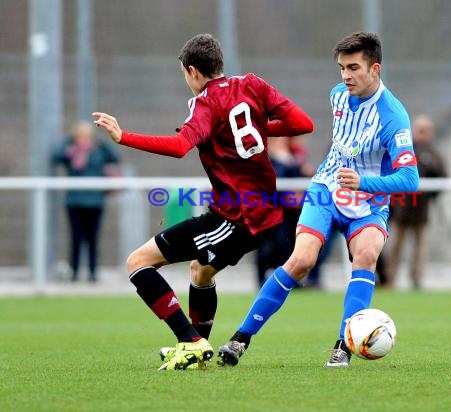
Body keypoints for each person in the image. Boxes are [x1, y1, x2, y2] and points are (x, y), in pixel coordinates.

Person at [92, 33, 313, 371]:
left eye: (184, 74)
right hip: (262, 210)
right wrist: (256, 126)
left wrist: (124, 137)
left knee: (138, 262)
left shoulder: (205, 103)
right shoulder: (252, 84)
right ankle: (198, 347)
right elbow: (303, 123)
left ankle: (189, 340)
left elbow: (181, 145)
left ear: (192, 71)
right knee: (201, 270)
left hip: (234, 217)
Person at [218, 32, 419, 368]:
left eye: (354, 67)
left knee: (366, 253)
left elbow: (410, 180)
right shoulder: (338, 96)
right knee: (301, 261)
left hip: (368, 202)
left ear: (375, 69)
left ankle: (344, 344)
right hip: (326, 191)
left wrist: (363, 182)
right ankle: (240, 339)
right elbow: (344, 144)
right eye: (341, 67)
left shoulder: (393, 117)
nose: (345, 75)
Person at [255, 136, 330, 289]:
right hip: (270, 209)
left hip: (290, 211)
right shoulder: (269, 157)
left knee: (290, 244)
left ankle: (291, 280)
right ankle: (264, 279)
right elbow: (273, 180)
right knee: (269, 246)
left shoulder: (294, 155)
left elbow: (297, 177)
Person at [52, 121, 121, 282]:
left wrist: (101, 139)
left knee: (92, 239)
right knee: (76, 239)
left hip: (95, 202)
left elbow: (115, 157)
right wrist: (69, 139)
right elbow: (55, 155)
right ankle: (74, 272)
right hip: (74, 202)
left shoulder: (98, 150)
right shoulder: (70, 151)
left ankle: (92, 273)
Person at [386, 115, 447, 289]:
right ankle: (390, 279)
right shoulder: (404, 150)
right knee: (396, 245)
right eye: (420, 131)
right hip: (402, 208)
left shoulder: (434, 153)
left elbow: (442, 175)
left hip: (422, 209)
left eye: (426, 131)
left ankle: (417, 279)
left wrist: (431, 193)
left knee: (420, 248)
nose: (423, 135)